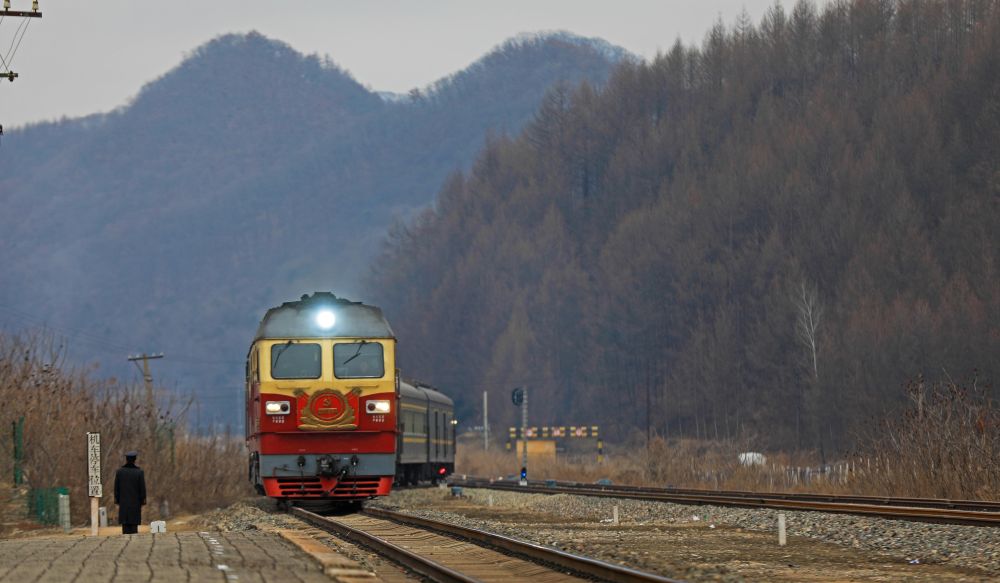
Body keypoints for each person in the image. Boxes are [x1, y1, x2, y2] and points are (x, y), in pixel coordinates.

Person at [113, 451, 146, 534]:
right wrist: (143, 501)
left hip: (123, 503)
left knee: (125, 525)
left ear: (126, 459)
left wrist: (117, 500)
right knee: (134, 526)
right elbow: (142, 489)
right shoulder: (139, 472)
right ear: (135, 459)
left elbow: (116, 488)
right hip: (135, 503)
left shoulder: (120, 472)